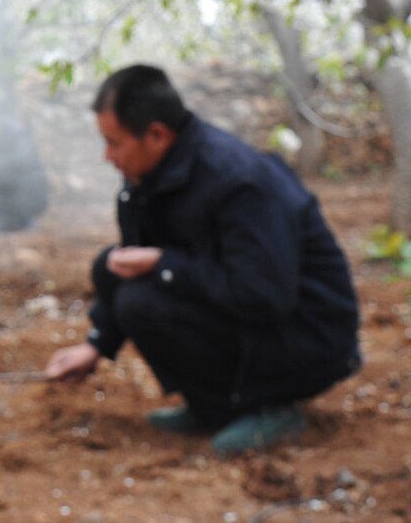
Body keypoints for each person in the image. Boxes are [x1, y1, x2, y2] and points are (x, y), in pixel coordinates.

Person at [45, 64, 361, 454]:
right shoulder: (146, 181)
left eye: (114, 142)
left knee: (142, 301)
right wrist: (97, 344)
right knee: (111, 268)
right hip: (253, 320)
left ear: (157, 135)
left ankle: (266, 406)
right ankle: (213, 406)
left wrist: (165, 265)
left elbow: (263, 296)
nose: (108, 156)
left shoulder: (240, 181)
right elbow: (135, 264)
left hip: (307, 337)